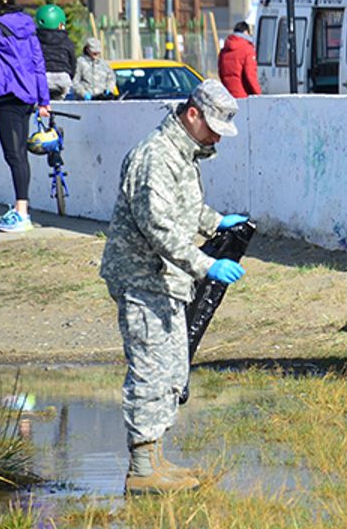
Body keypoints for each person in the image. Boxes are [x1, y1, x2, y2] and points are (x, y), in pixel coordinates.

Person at [99, 79, 248, 495]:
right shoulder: (155, 157)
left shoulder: (183, 155)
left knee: (171, 369)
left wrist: (217, 222)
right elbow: (159, 227)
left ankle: (156, 458)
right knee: (151, 369)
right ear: (192, 114)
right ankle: (142, 468)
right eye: (213, 126)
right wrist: (206, 264)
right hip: (143, 277)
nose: (217, 136)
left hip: (166, 280)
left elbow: (185, 208)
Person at [0, 0, 50, 234]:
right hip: (29, 96)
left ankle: (22, 213)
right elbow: (38, 64)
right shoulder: (27, 24)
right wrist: (44, 101)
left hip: (8, 95)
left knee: (14, 155)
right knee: (20, 156)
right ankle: (21, 210)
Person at [34, 4, 76, 101]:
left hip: (43, 77)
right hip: (63, 77)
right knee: (67, 104)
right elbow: (73, 62)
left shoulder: (35, 40)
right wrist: (70, 75)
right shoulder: (67, 41)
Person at [218, 21, 261, 99]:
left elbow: (221, 74)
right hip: (243, 96)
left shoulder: (223, 51)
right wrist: (258, 94)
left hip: (228, 96)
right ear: (246, 32)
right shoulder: (248, 49)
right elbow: (250, 76)